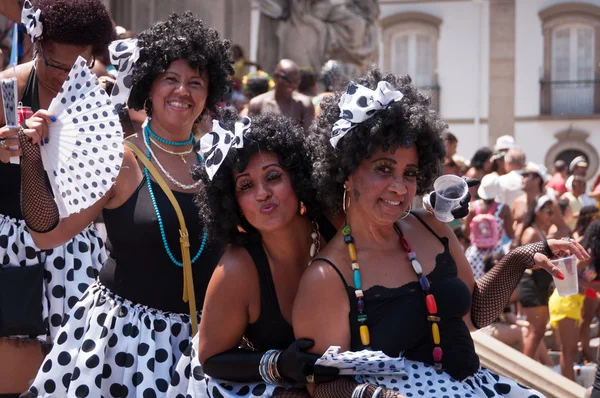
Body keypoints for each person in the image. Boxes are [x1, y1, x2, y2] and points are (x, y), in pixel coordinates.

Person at [293, 68, 588, 397]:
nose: (399, 186)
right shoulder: (326, 276)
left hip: (478, 388)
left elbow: (473, 314)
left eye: (409, 173)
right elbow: (320, 383)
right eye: (383, 168)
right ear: (345, 172)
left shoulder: (430, 227)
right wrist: (376, 395)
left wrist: (520, 258)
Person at [22, 11, 232, 396]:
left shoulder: (221, 165)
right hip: (122, 347)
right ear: (148, 86)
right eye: (170, 79)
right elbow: (47, 237)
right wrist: (31, 162)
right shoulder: (118, 159)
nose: (182, 91)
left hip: (204, 349)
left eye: (195, 82)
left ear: (210, 92)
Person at [167, 112, 341, 397]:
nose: (263, 193)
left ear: (297, 179)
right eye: (246, 185)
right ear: (232, 202)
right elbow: (210, 358)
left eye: (273, 176)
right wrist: (279, 364)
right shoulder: (237, 269)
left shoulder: (333, 225)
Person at [0, 1, 113, 395]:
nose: (66, 76)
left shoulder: (100, 93)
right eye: (56, 65)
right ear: (36, 44)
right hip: (11, 248)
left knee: (73, 369)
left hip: (74, 245)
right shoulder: (7, 88)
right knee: (13, 365)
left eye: (78, 67)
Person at [517, 196, 556, 363]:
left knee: (539, 331)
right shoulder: (531, 232)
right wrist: (547, 264)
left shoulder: (541, 231)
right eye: (547, 211)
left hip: (539, 285)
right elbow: (525, 261)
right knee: (536, 331)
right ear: (538, 212)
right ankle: (524, 371)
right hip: (530, 284)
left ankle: (529, 368)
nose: (550, 215)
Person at [464, 173, 514, 279]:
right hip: (496, 255)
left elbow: (466, 233)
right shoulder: (504, 209)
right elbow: (510, 234)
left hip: (475, 254)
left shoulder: (472, 207)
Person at [248, 59, 314, 132]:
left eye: (297, 81)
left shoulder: (303, 105)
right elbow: (250, 137)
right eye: (290, 81)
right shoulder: (257, 104)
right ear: (277, 76)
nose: (294, 86)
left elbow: (309, 138)